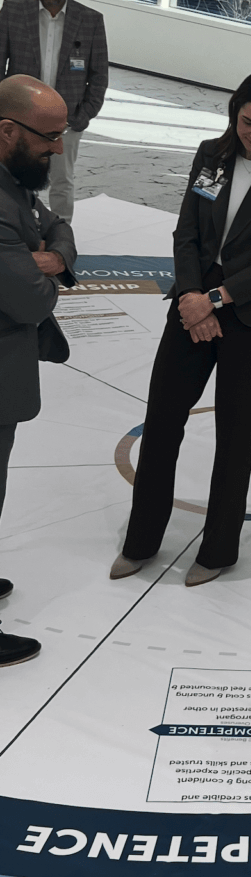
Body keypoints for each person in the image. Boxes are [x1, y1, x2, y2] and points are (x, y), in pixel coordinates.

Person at [110, 71, 251, 588]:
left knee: (234, 433)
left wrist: (214, 302)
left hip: (248, 315)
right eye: (248, 122)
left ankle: (218, 548)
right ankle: (141, 541)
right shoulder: (211, 155)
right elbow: (186, 231)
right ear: (234, 113)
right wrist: (189, 298)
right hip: (192, 302)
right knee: (161, 424)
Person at [0, 75, 76, 668]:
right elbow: (27, 301)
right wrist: (44, 272)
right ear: (8, 131)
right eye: (49, 137)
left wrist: (47, 257)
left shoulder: (15, 181)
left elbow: (55, 225)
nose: (57, 148)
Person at [0, 0, 108, 222]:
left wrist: (83, 118)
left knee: (62, 180)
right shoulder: (13, 11)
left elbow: (99, 76)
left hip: (66, 121)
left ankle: (61, 234)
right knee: (14, 175)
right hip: (20, 118)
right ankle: (15, 226)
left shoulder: (90, 20)